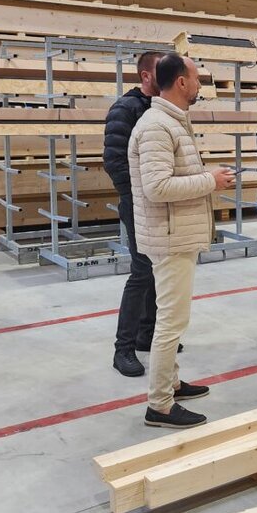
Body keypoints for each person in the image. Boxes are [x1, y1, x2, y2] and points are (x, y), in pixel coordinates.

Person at [129, 53, 234, 429]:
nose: (200, 84)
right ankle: (159, 404)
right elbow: (157, 188)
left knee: (170, 318)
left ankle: (171, 383)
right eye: (195, 77)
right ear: (180, 82)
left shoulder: (172, 121)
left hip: (174, 233)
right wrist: (211, 181)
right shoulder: (158, 126)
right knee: (172, 322)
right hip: (169, 237)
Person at [103, 50, 163, 378]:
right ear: (144, 76)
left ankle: (147, 334)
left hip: (159, 203)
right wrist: (139, 196)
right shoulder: (125, 109)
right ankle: (122, 349)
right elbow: (114, 162)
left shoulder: (164, 106)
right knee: (141, 271)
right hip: (138, 203)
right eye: (161, 71)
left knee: (155, 267)